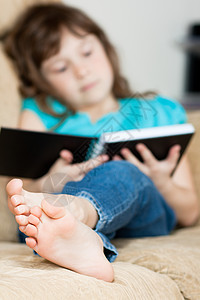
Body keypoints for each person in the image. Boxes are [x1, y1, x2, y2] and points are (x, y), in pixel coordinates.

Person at [4, 3, 199, 282]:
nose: (81, 71)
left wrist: (161, 180)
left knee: (121, 173)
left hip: (143, 214)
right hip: (55, 210)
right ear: (42, 81)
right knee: (37, 210)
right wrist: (53, 180)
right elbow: (22, 192)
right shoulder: (40, 115)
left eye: (86, 53)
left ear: (106, 48)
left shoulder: (158, 110)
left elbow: (189, 212)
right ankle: (80, 237)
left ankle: (74, 215)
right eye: (60, 67)